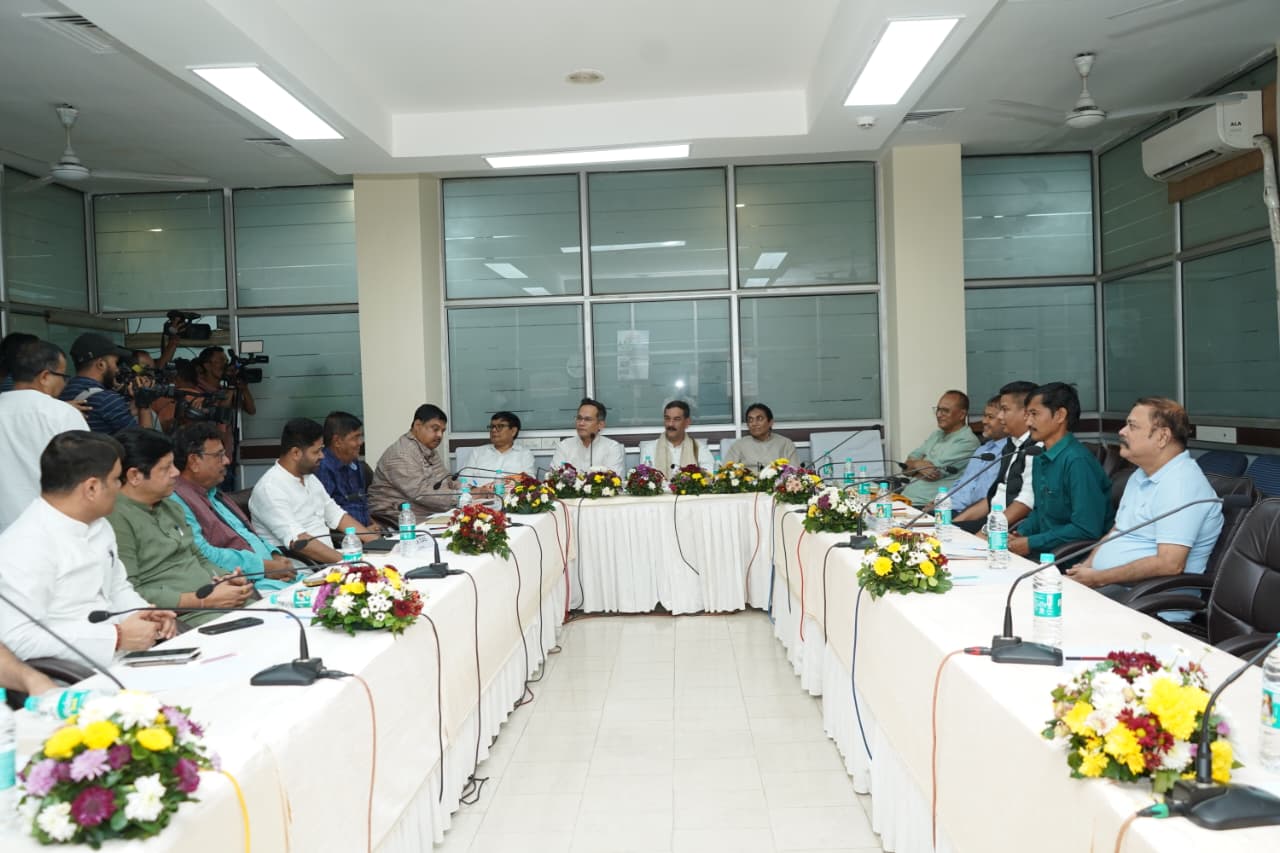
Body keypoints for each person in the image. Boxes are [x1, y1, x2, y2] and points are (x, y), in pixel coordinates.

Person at [0, 431, 177, 669]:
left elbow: (116, 587)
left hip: (127, 657)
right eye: (116, 479)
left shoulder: (98, 523)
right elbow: (17, 638)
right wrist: (116, 637)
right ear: (92, 488)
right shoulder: (25, 544)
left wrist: (143, 614)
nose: (120, 486)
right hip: (72, 678)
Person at [1066, 398, 1223, 599]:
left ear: (1162, 437)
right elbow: (1118, 531)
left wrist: (1098, 578)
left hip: (1148, 602)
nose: (1122, 431)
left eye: (1132, 426)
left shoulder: (1181, 483)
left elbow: (1169, 564)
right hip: (1111, 589)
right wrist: (1086, 568)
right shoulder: (1141, 474)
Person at [107, 428, 253, 628]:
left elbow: (198, 558)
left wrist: (226, 579)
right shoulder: (116, 519)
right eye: (166, 468)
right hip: (183, 620)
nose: (176, 473)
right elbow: (130, 591)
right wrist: (202, 600)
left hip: (221, 604)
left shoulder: (171, 506)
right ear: (134, 475)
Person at [171, 422, 300, 593]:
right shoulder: (177, 500)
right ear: (194, 461)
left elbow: (248, 534)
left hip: (276, 574)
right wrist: (264, 566)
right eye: (219, 455)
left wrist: (275, 556)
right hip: (247, 585)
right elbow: (203, 553)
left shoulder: (216, 493)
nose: (227, 461)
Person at [1008, 382, 1113, 562]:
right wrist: (1018, 535)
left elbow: (1086, 528)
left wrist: (1031, 542)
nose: (1028, 422)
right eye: (1027, 414)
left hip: (1071, 559)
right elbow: (1040, 513)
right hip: (1043, 552)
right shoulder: (1041, 457)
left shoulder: (1077, 461)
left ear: (1060, 415)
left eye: (1034, 414)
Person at [251, 418, 375, 563]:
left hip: (330, 559)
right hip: (303, 566)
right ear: (296, 453)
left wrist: (378, 542)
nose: (322, 456)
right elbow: (300, 541)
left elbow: (337, 516)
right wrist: (348, 562)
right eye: (316, 451)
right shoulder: (270, 489)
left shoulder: (309, 478)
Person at [0, 340, 86, 531]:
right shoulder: (62, 413)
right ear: (45, 376)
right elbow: (85, 469)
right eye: (63, 376)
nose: (65, 383)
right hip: (51, 526)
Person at [368, 404, 486, 523]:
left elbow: (447, 480)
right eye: (435, 429)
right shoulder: (402, 453)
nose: (440, 435)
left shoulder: (427, 449)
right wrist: (463, 497)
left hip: (424, 511)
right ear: (418, 425)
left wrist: (472, 490)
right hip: (397, 517)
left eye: (442, 431)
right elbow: (421, 493)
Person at [954, 381, 1039, 532]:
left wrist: (986, 532)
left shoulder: (1036, 449)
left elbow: (1025, 503)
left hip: (1011, 529)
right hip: (992, 522)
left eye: (1005, 410)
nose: (1000, 416)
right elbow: (993, 498)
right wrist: (952, 524)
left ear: (1026, 413)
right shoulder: (1011, 446)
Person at [900, 390, 980, 506]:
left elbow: (932, 473)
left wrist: (915, 465)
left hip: (927, 506)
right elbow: (905, 469)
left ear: (962, 415)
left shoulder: (967, 441)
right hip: (905, 499)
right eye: (938, 409)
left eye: (945, 411)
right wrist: (917, 465)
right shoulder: (936, 434)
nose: (938, 415)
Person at [60, 333, 154, 432]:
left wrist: (130, 407)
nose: (117, 369)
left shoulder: (61, 393)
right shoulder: (107, 399)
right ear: (101, 364)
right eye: (115, 363)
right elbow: (144, 443)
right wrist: (144, 406)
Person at [942, 395, 1006, 516]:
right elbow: (963, 482)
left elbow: (988, 498)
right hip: (950, 507)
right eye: (984, 416)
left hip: (969, 514)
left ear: (1005, 420)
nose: (984, 421)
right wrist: (941, 501)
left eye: (990, 417)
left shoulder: (1008, 452)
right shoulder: (982, 449)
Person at [316, 411, 372, 525]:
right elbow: (325, 515)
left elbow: (361, 502)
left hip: (364, 530)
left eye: (360, 437)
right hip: (345, 536)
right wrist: (364, 532)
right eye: (355, 438)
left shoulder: (354, 463)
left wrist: (372, 524)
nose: (360, 443)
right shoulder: (323, 467)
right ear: (337, 441)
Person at [639, 400, 716, 474]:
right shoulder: (650, 449)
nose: (670, 424)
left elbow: (709, 477)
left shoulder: (699, 448)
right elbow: (645, 479)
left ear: (687, 422)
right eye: (667, 418)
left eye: (676, 419)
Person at [552, 398, 626, 474]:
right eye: (579, 418)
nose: (581, 423)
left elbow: (613, 481)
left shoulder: (612, 448)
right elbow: (555, 477)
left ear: (600, 425)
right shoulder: (564, 446)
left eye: (587, 419)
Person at [465, 411, 537, 481]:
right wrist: (476, 490)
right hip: (478, 493)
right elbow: (463, 480)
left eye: (500, 426)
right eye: (492, 426)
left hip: (511, 492)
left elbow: (530, 482)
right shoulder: (477, 452)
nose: (493, 430)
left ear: (513, 431)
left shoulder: (524, 454)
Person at [723, 403, 796, 470]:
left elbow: (795, 473)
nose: (754, 423)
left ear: (770, 422)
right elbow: (726, 473)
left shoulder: (786, 444)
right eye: (750, 420)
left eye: (759, 419)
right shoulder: (738, 445)